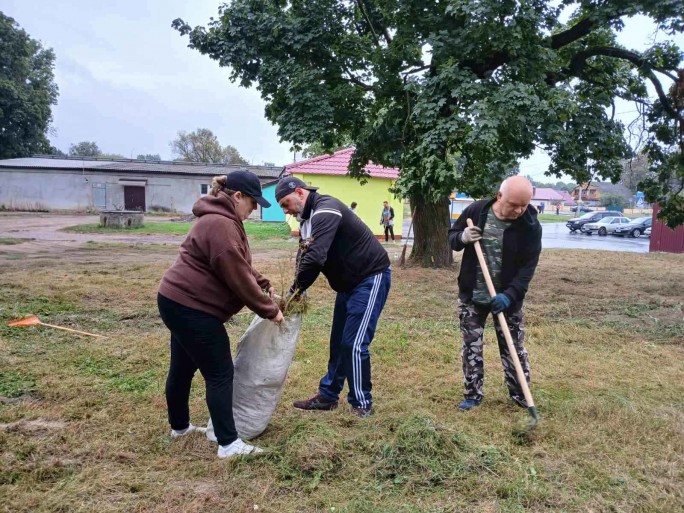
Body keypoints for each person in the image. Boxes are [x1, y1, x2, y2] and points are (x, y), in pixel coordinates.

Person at [157, 170, 284, 459]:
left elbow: (236, 261)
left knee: (182, 368)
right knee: (220, 373)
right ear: (237, 196)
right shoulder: (220, 224)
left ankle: (180, 428)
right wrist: (269, 310)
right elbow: (236, 275)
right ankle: (229, 444)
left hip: (176, 301)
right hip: (191, 308)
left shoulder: (221, 220)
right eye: (252, 204)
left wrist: (261, 280)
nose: (253, 211)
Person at [275, 177, 391, 418]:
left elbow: (316, 258)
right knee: (338, 342)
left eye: (286, 203)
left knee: (354, 343)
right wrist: (296, 291)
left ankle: (362, 403)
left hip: (370, 277)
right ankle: (328, 396)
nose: (285, 210)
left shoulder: (326, 209)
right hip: (347, 285)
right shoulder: (306, 221)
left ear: (299, 192)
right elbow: (304, 256)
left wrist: (295, 291)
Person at [448, 176, 542, 411]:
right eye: (514, 205)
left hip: (507, 298)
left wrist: (509, 295)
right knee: (471, 347)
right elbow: (452, 238)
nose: (519, 210)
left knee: (514, 348)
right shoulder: (476, 210)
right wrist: (462, 237)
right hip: (473, 295)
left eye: (524, 205)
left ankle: (521, 395)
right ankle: (472, 395)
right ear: (500, 197)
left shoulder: (529, 225)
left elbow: (527, 268)